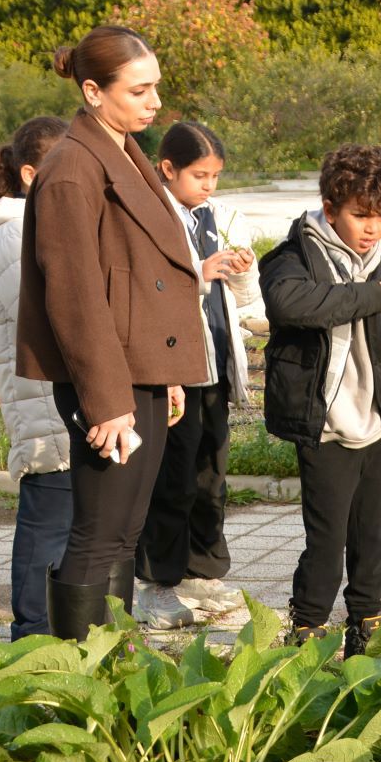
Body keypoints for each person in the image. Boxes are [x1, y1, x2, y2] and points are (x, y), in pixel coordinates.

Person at [16, 26, 202, 638]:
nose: (155, 103)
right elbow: (74, 296)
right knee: (98, 534)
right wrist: (107, 401)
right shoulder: (73, 167)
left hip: (139, 368)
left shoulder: (122, 151)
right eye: (139, 90)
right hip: (108, 380)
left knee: (124, 531)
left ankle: (114, 664)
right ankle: (76, 677)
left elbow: (140, 272)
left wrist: (166, 372)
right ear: (93, 91)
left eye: (156, 88)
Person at [261, 144, 381, 656]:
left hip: (377, 420)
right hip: (325, 426)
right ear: (329, 207)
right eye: (361, 216)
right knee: (327, 541)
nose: (373, 228)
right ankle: (307, 634)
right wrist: (371, 296)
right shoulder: (293, 256)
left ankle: (367, 632)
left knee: (373, 537)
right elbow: (290, 303)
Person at [134, 121, 257, 630]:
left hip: (216, 365)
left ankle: (202, 573)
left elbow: (245, 297)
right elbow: (152, 289)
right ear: (168, 169)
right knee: (173, 479)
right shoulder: (153, 215)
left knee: (211, 474)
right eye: (199, 175)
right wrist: (199, 274)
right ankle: (157, 584)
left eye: (215, 176)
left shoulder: (220, 215)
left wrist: (242, 269)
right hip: (175, 369)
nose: (209, 186)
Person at [0, 114, 72, 641]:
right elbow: (47, 318)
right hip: (43, 404)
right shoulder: (11, 234)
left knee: (70, 528)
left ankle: (65, 636)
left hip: (67, 399)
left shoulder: (48, 224)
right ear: (31, 174)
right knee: (46, 528)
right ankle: (30, 641)